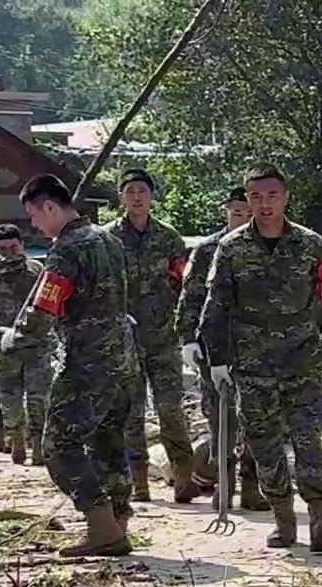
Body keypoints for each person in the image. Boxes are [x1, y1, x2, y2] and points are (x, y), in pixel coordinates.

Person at [199, 164, 322, 553]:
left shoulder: (311, 244)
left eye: (272, 195)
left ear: (286, 197)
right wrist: (216, 359)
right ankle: (283, 519)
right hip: (252, 360)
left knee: (308, 436)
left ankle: (321, 515)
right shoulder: (232, 248)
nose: (264, 204)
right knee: (264, 441)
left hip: (301, 355)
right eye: (256, 197)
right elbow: (217, 305)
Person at [4, 174, 135, 557]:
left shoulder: (67, 249)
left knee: (59, 444)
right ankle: (117, 522)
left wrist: (13, 339)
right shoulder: (108, 239)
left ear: (49, 207)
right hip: (122, 358)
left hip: (86, 360)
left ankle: (101, 527)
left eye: (33, 215)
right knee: (108, 440)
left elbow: (45, 307)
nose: (34, 225)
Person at [106, 168, 200, 502]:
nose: (136, 197)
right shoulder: (107, 238)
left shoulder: (169, 238)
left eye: (142, 191)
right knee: (130, 412)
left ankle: (183, 476)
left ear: (152, 196)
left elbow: (184, 285)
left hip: (163, 338)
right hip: (124, 341)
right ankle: (138, 480)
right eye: (130, 191)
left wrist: (188, 330)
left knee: (170, 408)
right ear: (121, 197)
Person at [176, 185, 265, 511]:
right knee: (220, 417)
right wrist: (187, 337)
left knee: (257, 417)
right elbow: (190, 296)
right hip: (214, 345)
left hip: (256, 346)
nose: (242, 218)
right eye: (237, 212)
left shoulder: (266, 247)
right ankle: (223, 486)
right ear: (227, 211)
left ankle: (253, 485)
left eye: (248, 212)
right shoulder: (206, 249)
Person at [0, 224, 47, 464]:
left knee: (38, 396)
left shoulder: (35, 269)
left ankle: (37, 444)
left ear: (23, 246)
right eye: (3, 249)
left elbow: (47, 305)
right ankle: (16, 440)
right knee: (9, 396)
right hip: (4, 345)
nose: (9, 253)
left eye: (13, 247)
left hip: (35, 343)